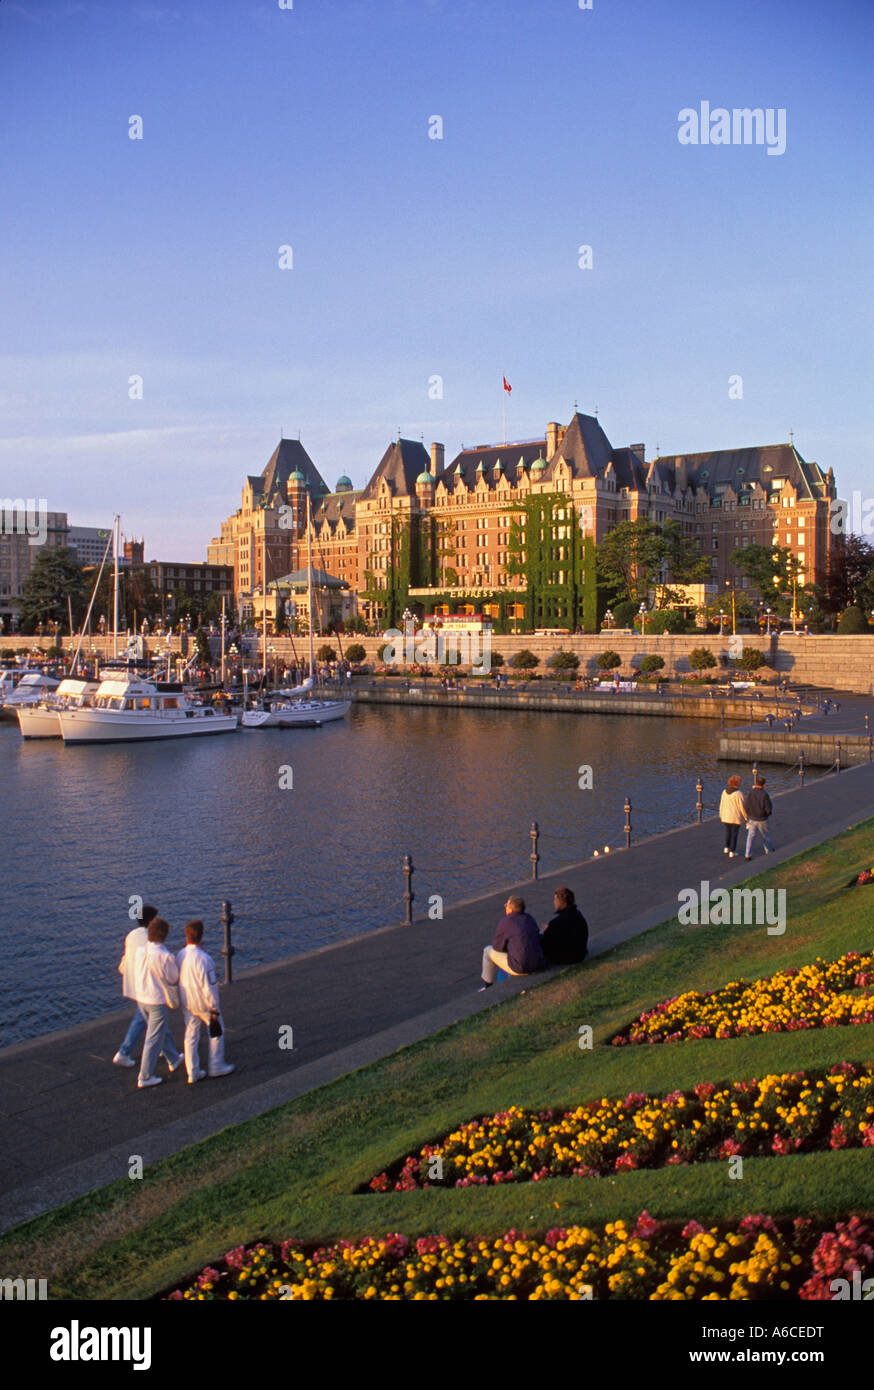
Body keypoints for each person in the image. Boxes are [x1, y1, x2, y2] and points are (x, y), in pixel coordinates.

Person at [113, 904, 177, 1070]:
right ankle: (127, 1054)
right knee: (153, 1021)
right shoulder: (148, 938)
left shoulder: (132, 935)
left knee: (145, 1019)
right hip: (147, 986)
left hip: (134, 981)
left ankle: (168, 1053)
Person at [176, 919, 234, 1084]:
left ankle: (192, 1071)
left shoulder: (180, 955)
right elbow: (210, 986)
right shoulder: (205, 958)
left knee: (191, 1034)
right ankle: (216, 1065)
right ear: (201, 936)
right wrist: (214, 1006)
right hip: (203, 1003)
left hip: (187, 1001)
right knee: (216, 1031)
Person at [134, 918, 183, 1089]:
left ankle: (173, 1059)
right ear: (164, 935)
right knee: (153, 1038)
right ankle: (145, 1076)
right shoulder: (165, 956)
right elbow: (173, 978)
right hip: (156, 999)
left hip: (141, 997)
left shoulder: (141, 950)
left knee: (161, 1031)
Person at [479, 896, 545, 990]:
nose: (505, 907)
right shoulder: (529, 918)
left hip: (521, 967)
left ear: (510, 908)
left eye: (506, 905)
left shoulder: (506, 921)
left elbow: (497, 947)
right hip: (538, 963)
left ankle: (488, 986)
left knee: (487, 951)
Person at [540, 886, 588, 965]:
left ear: (561, 902)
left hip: (568, 958)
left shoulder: (558, 922)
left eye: (555, 900)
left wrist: (546, 931)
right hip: (580, 953)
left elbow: (546, 942)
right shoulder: (578, 915)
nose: (554, 902)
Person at [744, 776, 774, 860]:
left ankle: (748, 854)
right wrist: (768, 813)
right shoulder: (764, 794)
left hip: (752, 818)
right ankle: (769, 851)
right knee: (766, 835)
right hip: (762, 818)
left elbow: (746, 805)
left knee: (750, 836)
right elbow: (768, 807)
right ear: (764, 785)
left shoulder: (750, 793)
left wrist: (749, 814)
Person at [719, 775, 747, 858]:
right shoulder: (738, 794)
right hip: (735, 817)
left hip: (726, 816)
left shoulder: (724, 792)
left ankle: (726, 847)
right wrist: (746, 817)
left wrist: (721, 814)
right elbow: (742, 806)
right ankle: (732, 851)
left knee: (728, 832)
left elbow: (722, 804)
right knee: (734, 834)